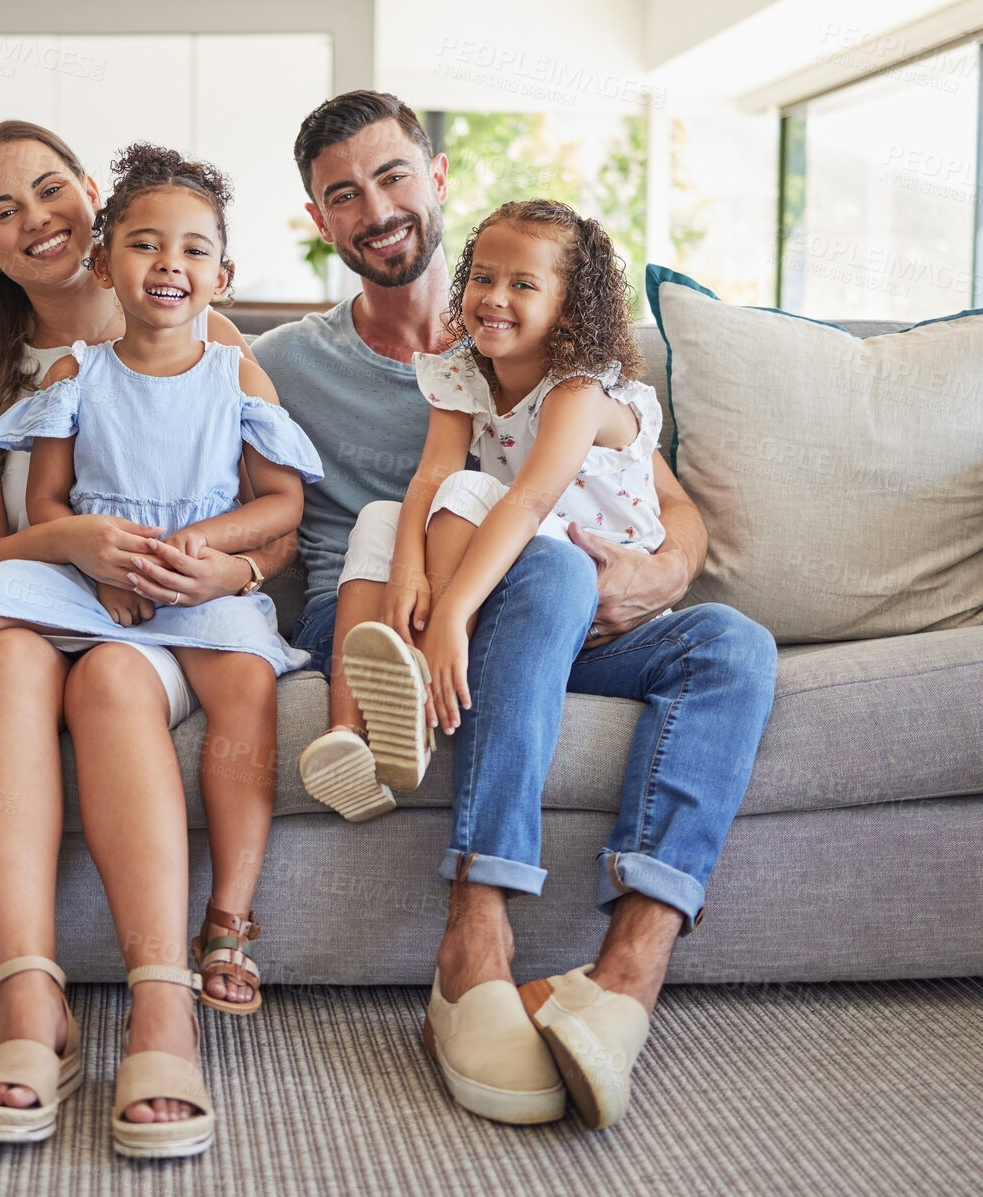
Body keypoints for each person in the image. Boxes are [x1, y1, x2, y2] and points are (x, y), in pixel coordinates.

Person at [254, 92, 778, 1129]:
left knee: (731, 642)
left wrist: (662, 574)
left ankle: (625, 972)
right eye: (342, 195)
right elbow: (149, 351)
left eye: (391, 174)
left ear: (436, 177)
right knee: (539, 569)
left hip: (554, 606)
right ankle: (474, 935)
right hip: (385, 613)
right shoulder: (281, 364)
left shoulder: (571, 353)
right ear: (320, 221)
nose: (375, 206)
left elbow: (659, 507)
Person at [0, 120, 298, 1156]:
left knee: (120, 683)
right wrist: (77, 543)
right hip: (39, 609)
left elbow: (271, 510)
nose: (35, 218)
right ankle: (28, 1007)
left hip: (157, 627)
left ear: (91, 201)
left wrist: (230, 566)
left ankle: (162, 1003)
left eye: (49, 191)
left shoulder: (205, 342)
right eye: (3, 212)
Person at [326, 197, 667, 817]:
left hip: (584, 572)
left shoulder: (580, 389)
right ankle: (347, 732)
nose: (494, 295)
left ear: (569, 308)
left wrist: (451, 613)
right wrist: (406, 570)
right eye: (482, 276)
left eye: (523, 284)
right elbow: (431, 473)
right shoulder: (464, 369)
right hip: (519, 548)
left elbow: (530, 500)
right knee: (381, 515)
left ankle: (424, 676)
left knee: (473, 492)